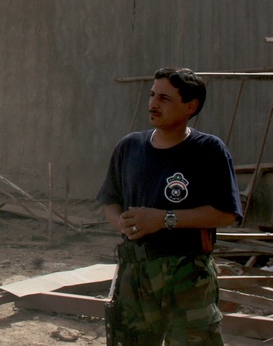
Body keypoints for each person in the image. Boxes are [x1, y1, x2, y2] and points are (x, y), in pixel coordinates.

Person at [97, 67, 242, 345]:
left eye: (164, 98)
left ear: (190, 106)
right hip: (135, 273)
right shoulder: (130, 146)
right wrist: (121, 223)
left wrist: (166, 219)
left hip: (187, 274)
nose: (152, 103)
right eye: (152, 95)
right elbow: (110, 202)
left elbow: (226, 214)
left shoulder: (208, 150)